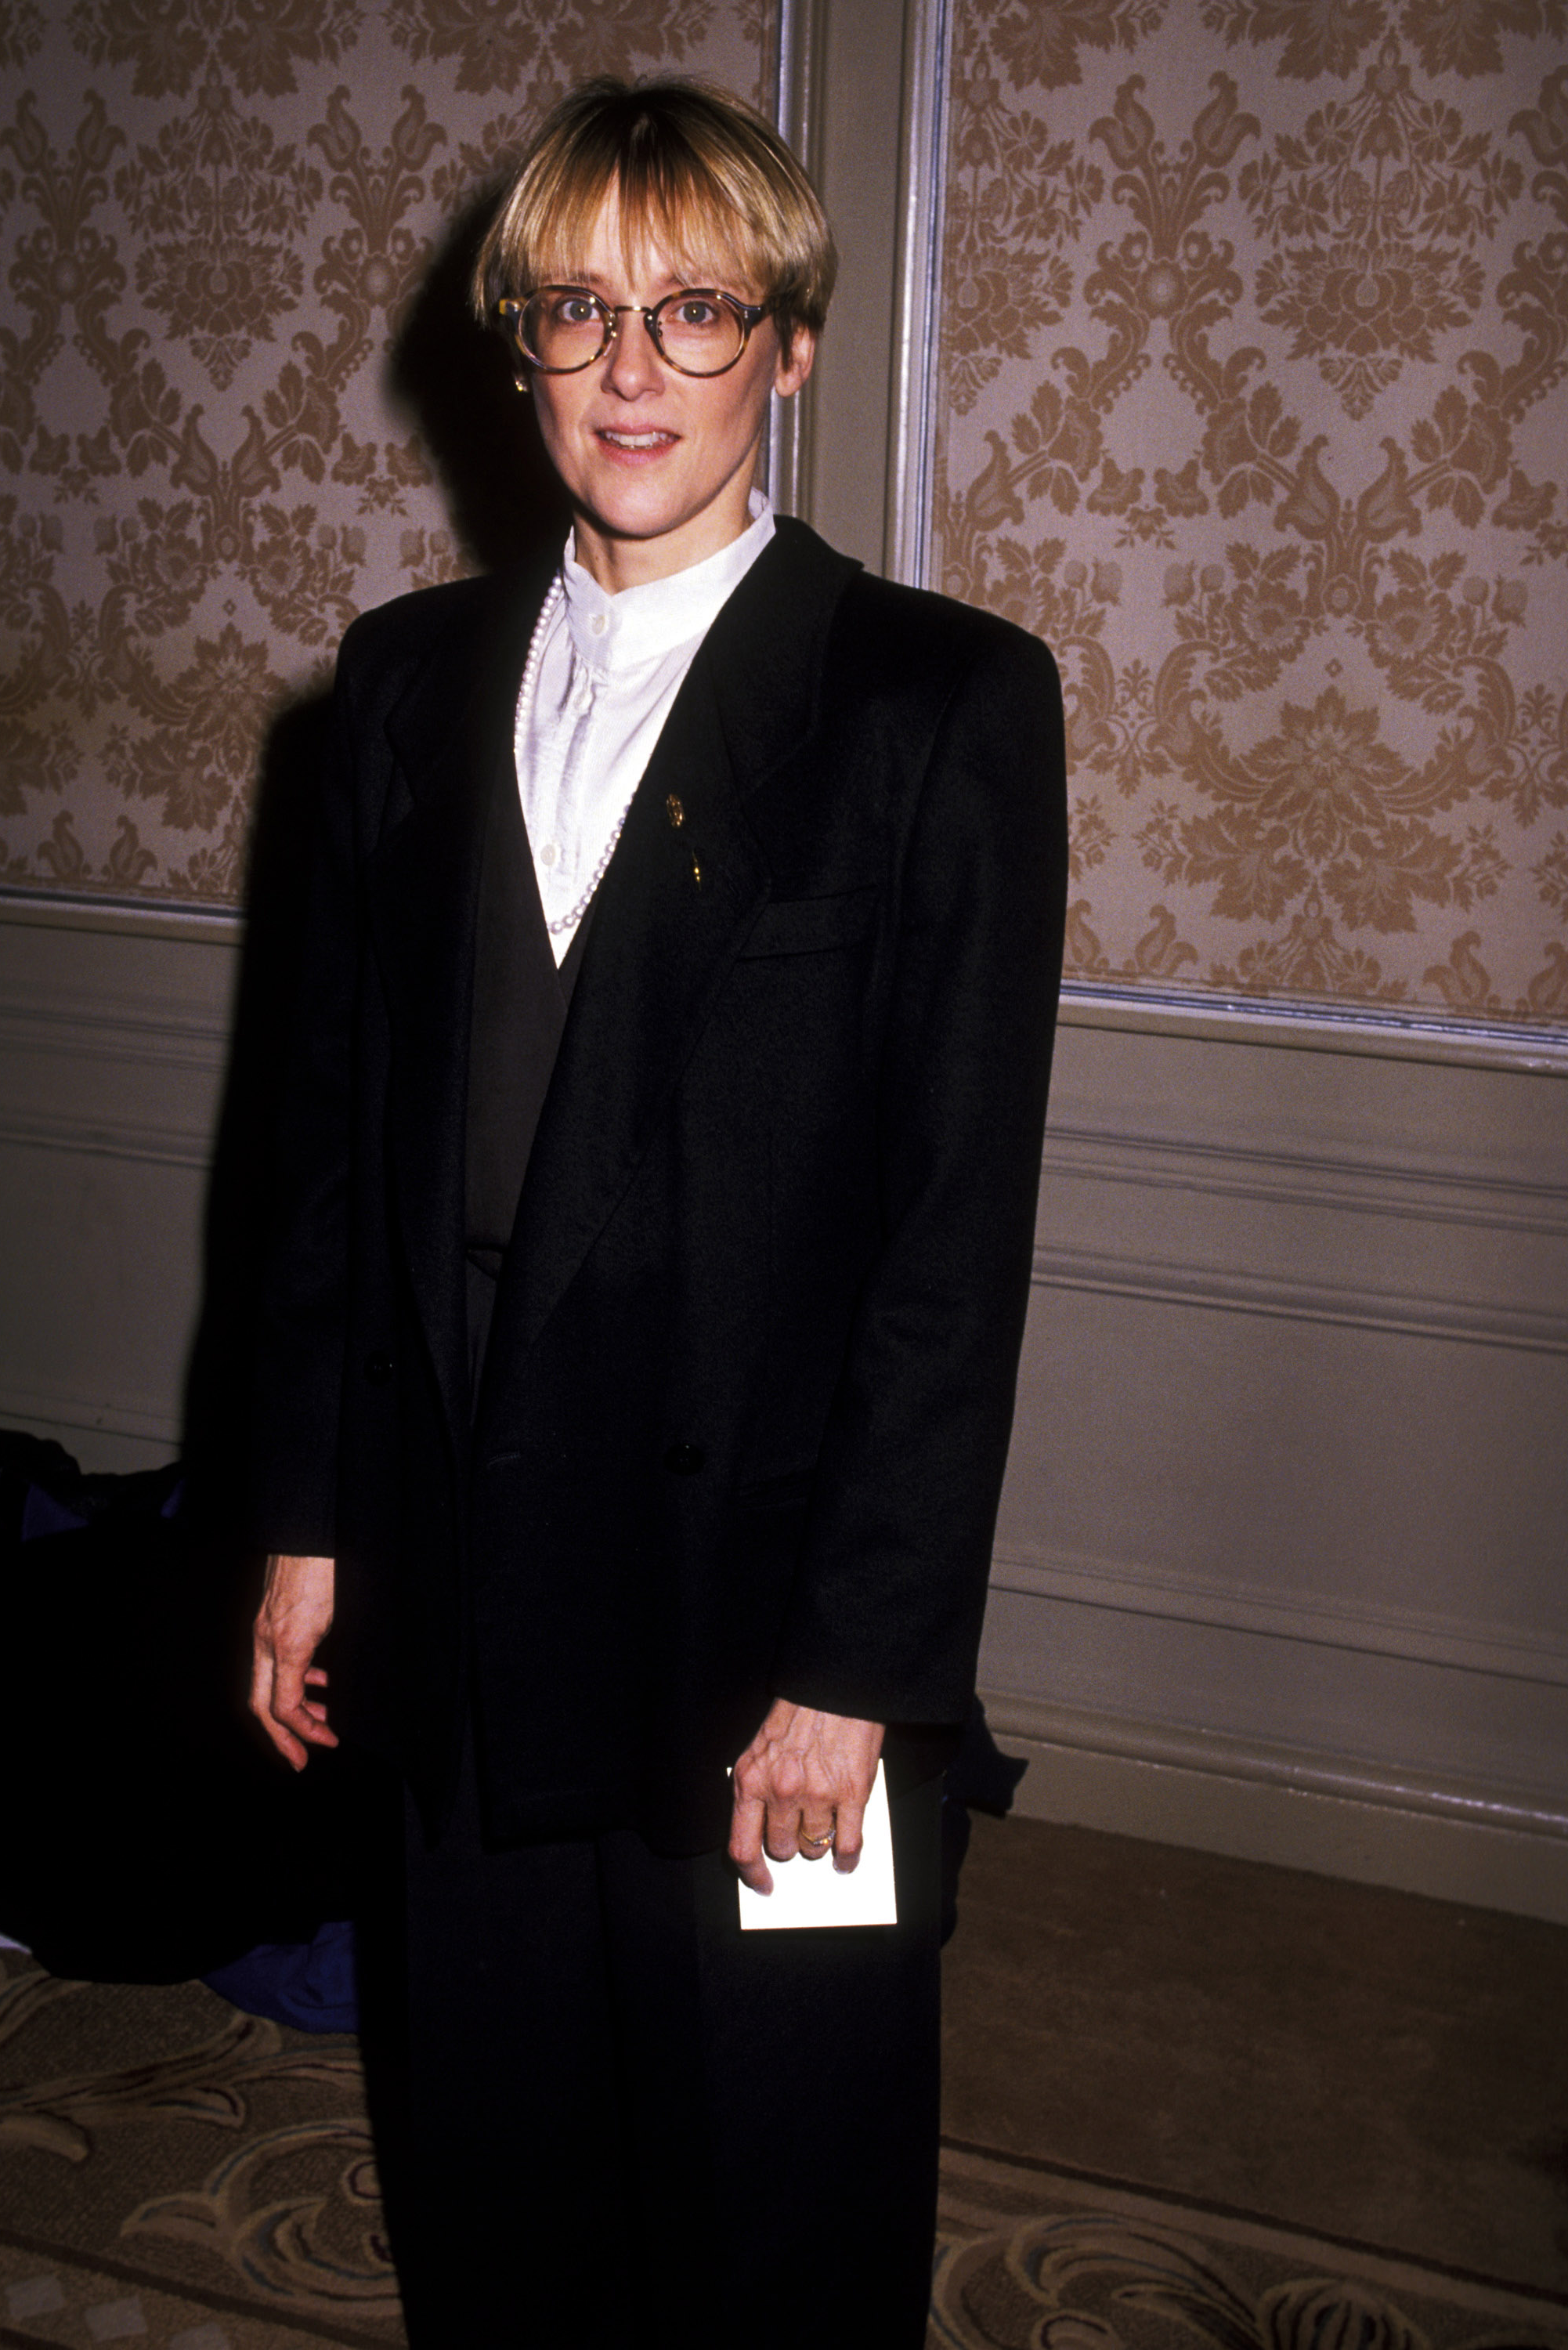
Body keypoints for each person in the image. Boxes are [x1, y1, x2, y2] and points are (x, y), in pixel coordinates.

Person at [246, 74, 1066, 2349]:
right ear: (515, 349)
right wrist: (312, 1526)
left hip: (760, 1607)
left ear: (786, 352)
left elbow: (946, 1235)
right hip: (454, 1555)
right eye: (579, 312)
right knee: (496, 2162)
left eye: (693, 311)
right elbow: (326, 1160)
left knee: (770, 2175)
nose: (630, 369)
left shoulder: (939, 704)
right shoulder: (400, 690)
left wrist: (857, 1672)